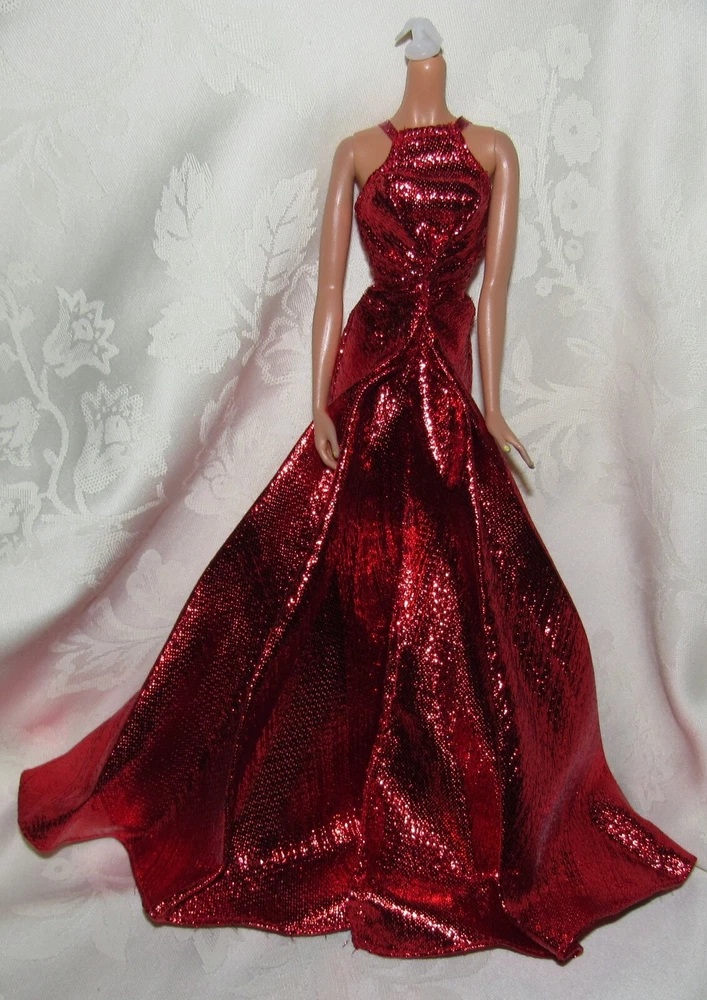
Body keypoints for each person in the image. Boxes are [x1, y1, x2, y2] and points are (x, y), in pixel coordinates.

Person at [17, 18, 697, 963]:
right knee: (337, 582)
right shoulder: (355, 151)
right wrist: (320, 405)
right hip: (372, 381)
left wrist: (494, 408)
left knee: (467, 595)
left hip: (445, 385)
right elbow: (332, 291)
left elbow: (493, 293)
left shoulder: (493, 150)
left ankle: (451, 815)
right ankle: (320, 792)